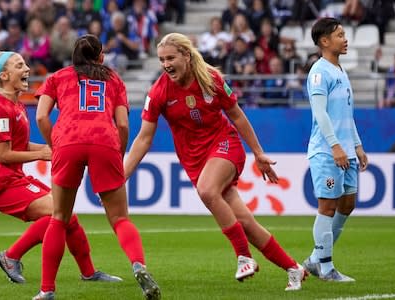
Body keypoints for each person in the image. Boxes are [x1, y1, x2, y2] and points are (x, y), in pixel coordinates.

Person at [124, 32, 307, 291]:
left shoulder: (212, 79)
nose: (165, 64)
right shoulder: (158, 92)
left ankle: (244, 257)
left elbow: (238, 116)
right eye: (161, 59)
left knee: (207, 190)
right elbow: (143, 138)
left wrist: (258, 152)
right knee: (245, 223)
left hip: (225, 145)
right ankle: (293, 268)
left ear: (186, 56)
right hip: (195, 161)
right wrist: (122, 175)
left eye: (171, 58)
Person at [34, 34, 161, 300]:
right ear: (101, 56)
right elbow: (124, 124)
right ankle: (138, 264)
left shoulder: (57, 77)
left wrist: (54, 143)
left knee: (59, 218)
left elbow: (41, 116)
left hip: (68, 140)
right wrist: (119, 152)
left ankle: (47, 290)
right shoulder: (113, 79)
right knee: (120, 219)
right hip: (104, 140)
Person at [0, 51, 121, 286]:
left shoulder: (16, 105)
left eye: (25, 63)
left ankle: (89, 273)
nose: (26, 68)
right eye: (19, 65)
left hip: (15, 178)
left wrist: (52, 147)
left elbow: (19, 145)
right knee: (59, 213)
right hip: (0, 184)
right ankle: (11, 256)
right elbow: (3, 155)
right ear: (4, 75)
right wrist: (42, 154)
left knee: (66, 216)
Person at [303, 17, 369, 282]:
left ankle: (314, 260)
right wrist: (336, 146)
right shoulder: (319, 72)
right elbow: (320, 114)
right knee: (328, 206)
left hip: (347, 150)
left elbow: (347, 114)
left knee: (347, 204)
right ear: (324, 41)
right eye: (340, 34)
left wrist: (357, 145)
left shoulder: (340, 70)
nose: (345, 39)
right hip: (328, 151)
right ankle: (326, 268)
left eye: (345, 34)